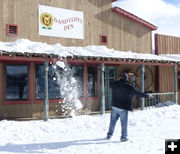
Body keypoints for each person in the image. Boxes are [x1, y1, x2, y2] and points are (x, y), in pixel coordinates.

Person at [107, 72, 152, 142]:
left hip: (115, 106)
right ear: (127, 79)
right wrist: (147, 96)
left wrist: (117, 81)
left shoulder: (115, 84)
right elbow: (138, 93)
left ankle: (109, 135)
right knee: (124, 123)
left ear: (120, 78)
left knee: (112, 122)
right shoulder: (129, 86)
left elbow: (110, 84)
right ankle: (123, 138)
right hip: (123, 108)